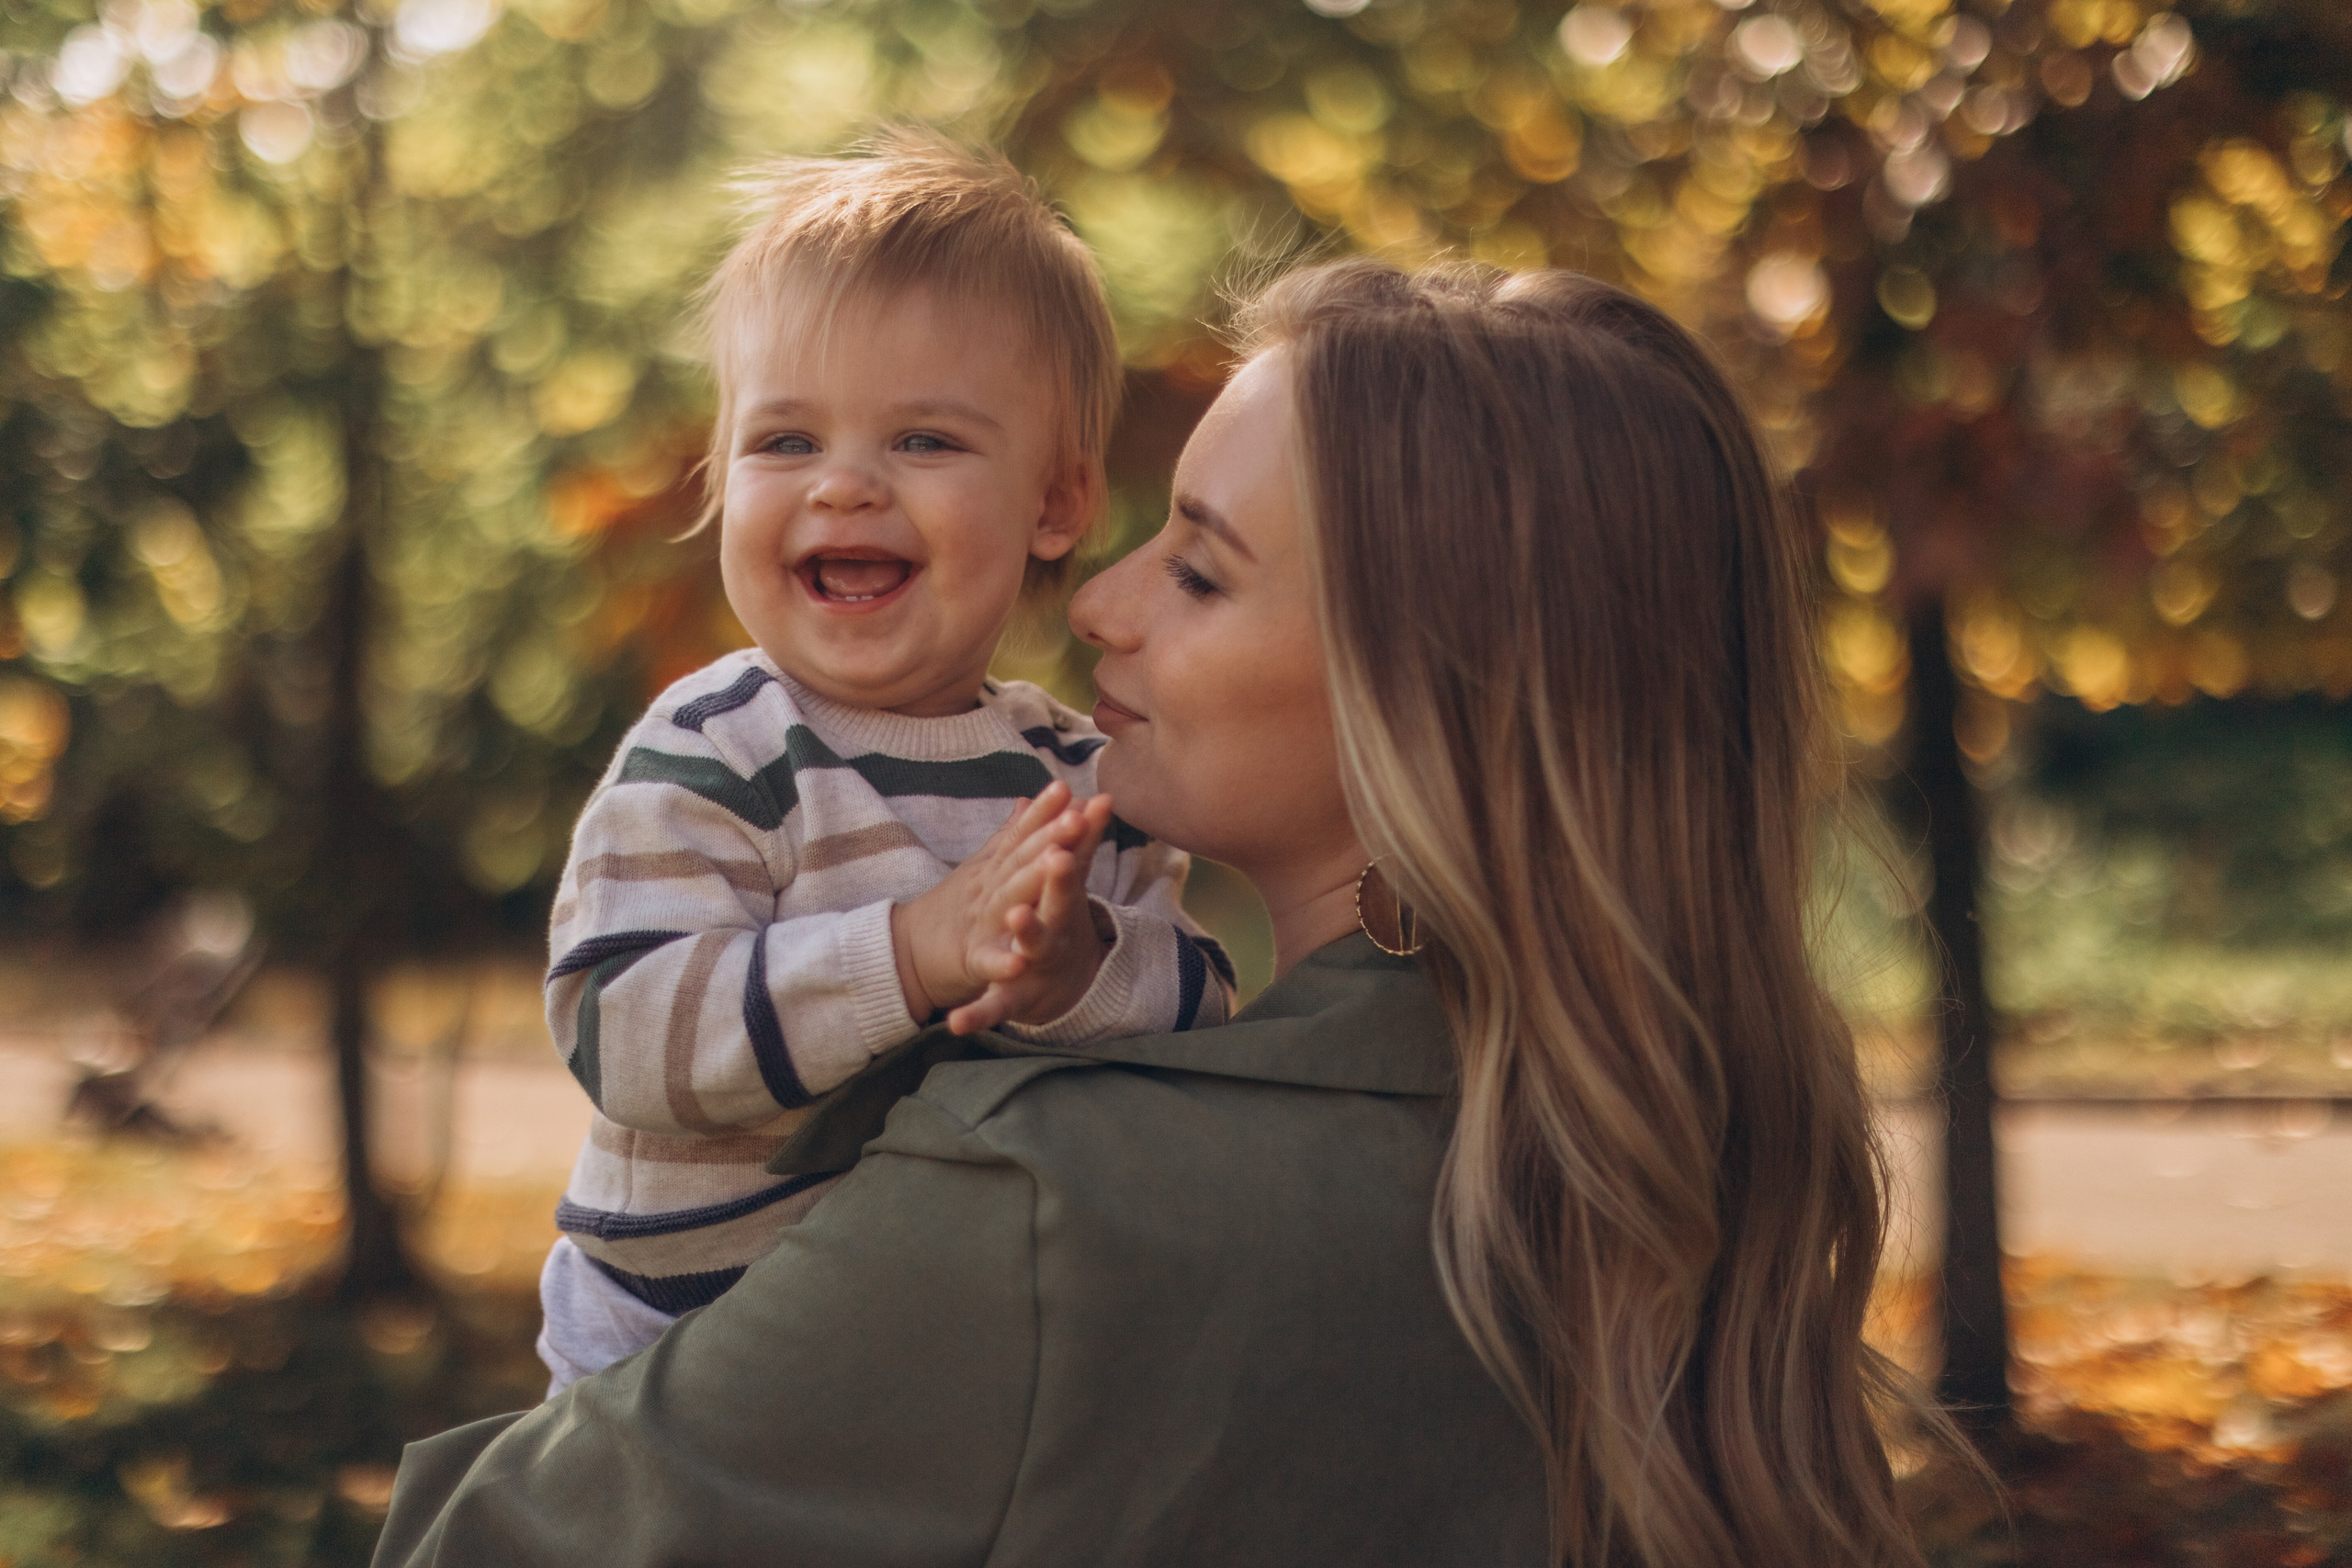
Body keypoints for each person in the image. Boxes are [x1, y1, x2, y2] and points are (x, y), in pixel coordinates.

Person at [375, 259, 1939, 1568]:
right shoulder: (1688, 1179)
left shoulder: (1052, 1202)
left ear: (1431, 703)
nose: (1104, 601)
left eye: (1199, 572)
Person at [533, 132, 1231, 1393]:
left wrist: (1078, 972)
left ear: (1056, 505)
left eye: (922, 442)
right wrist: (908, 953)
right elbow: (623, 1034)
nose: (843, 487)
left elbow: (1201, 1018)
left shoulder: (1080, 784)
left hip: (948, 1370)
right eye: (785, 443)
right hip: (675, 1376)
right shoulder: (713, 750)